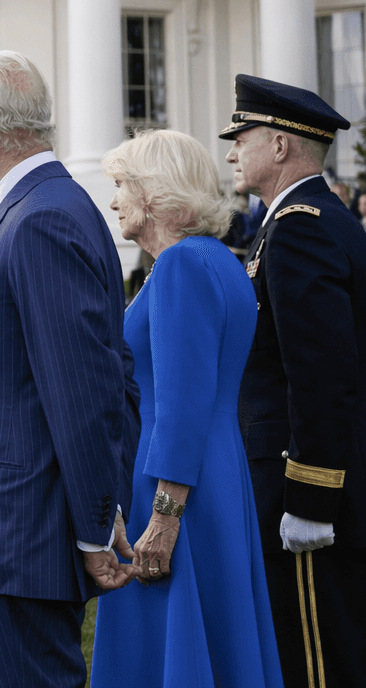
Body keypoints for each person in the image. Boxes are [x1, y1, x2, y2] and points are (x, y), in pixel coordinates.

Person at [0, 52, 139, 688]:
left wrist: (99, 525)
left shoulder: (41, 215)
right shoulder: (31, 209)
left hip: (11, 537)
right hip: (0, 535)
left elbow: (87, 388)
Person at [91, 129, 283, 686]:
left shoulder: (180, 266)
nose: (114, 199)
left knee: (170, 650)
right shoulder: (218, 261)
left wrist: (164, 519)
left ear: (154, 191)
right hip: (213, 473)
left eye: (122, 184)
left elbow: (180, 404)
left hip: (176, 486)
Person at [221, 73, 366, 686]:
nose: (231, 151)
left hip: (300, 483)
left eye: (242, 136)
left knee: (315, 659)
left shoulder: (299, 226)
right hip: (304, 476)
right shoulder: (307, 219)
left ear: (280, 145)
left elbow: (321, 375)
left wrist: (308, 499)